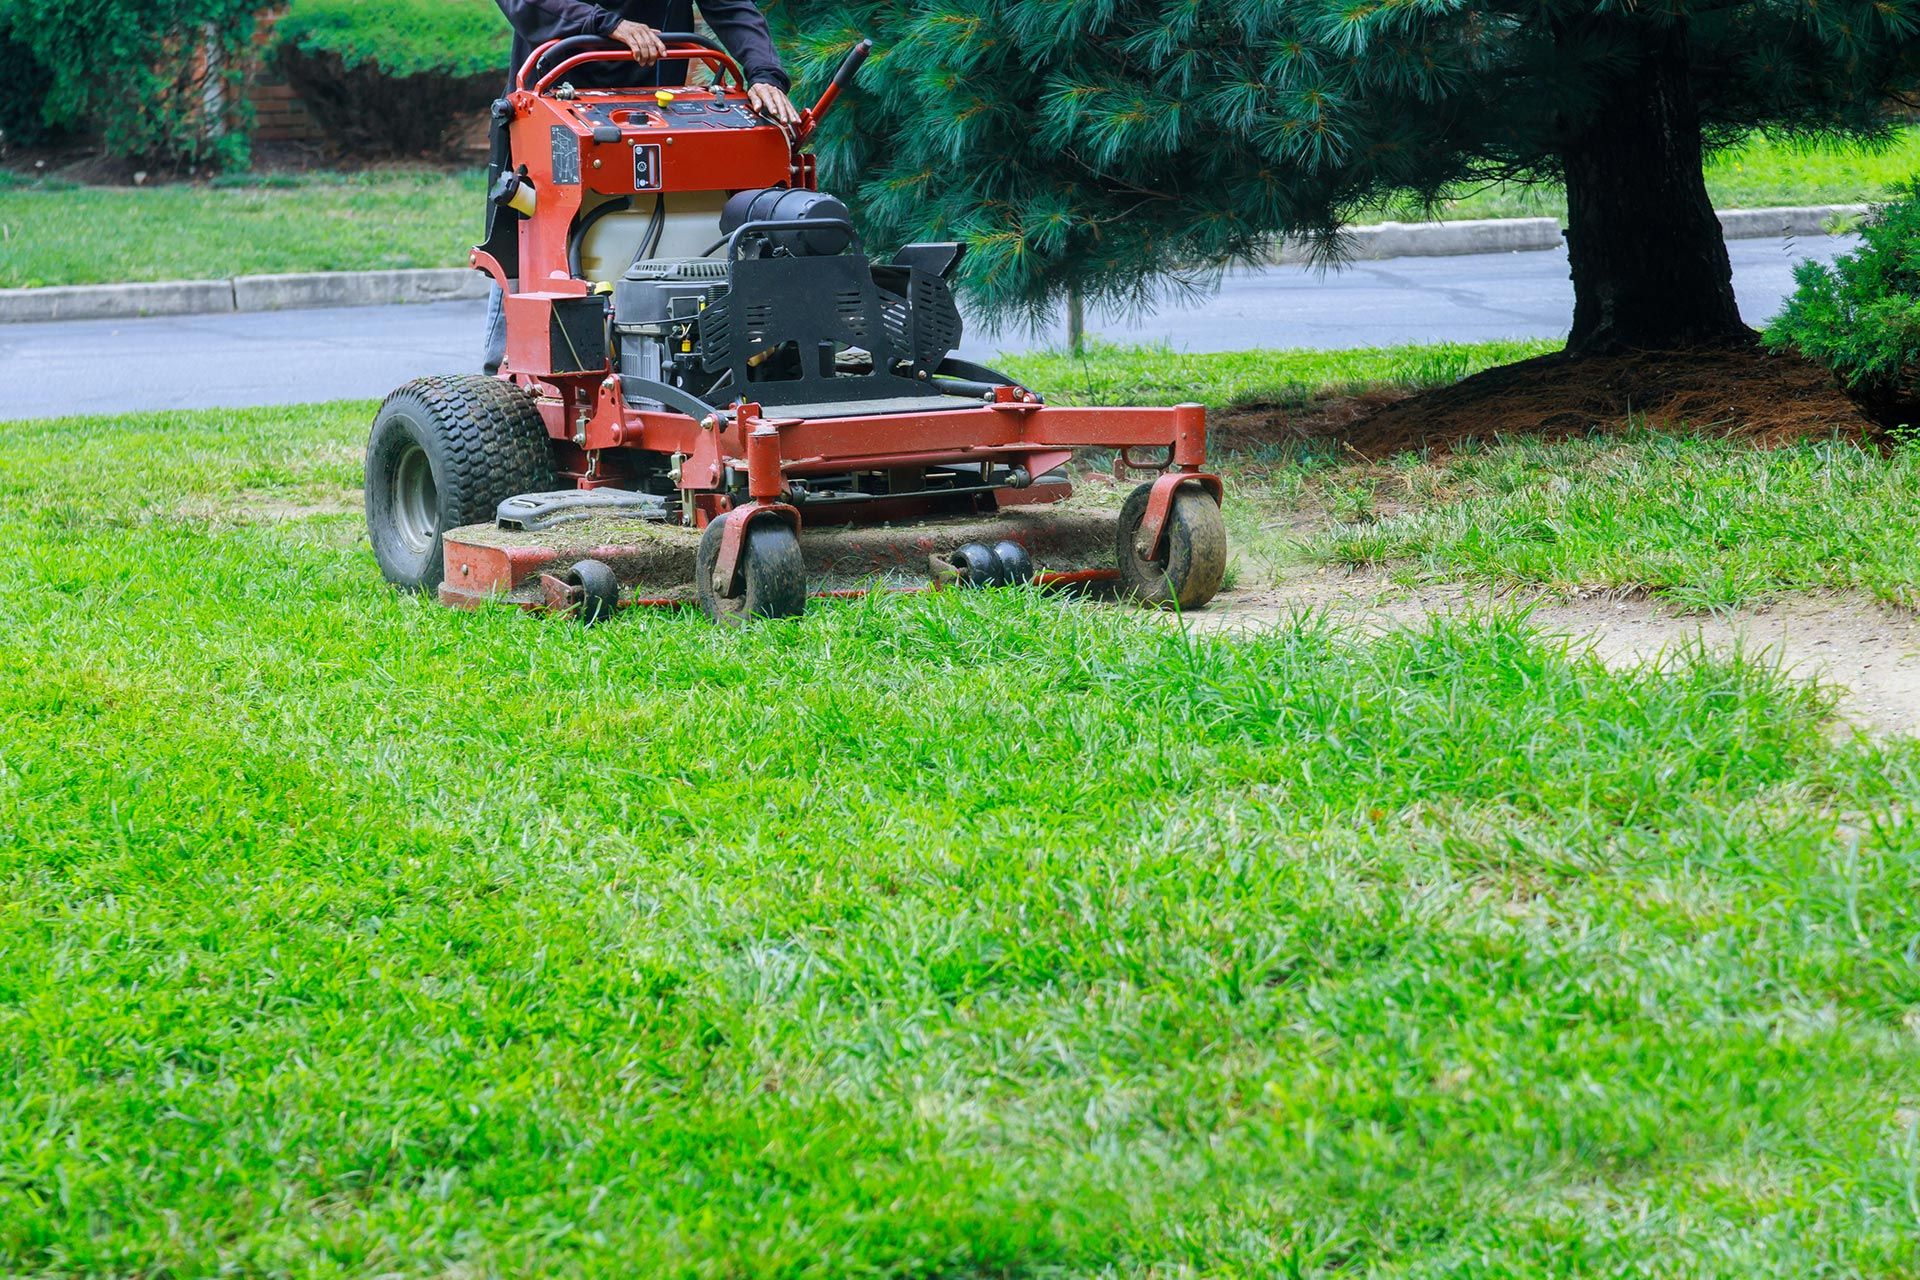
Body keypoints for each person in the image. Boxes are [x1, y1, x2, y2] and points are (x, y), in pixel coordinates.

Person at [484, 0, 800, 373]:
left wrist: (765, 73)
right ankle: (509, 390)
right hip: (556, 98)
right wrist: (608, 24)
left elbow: (731, 7)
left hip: (658, 107)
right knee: (529, 252)